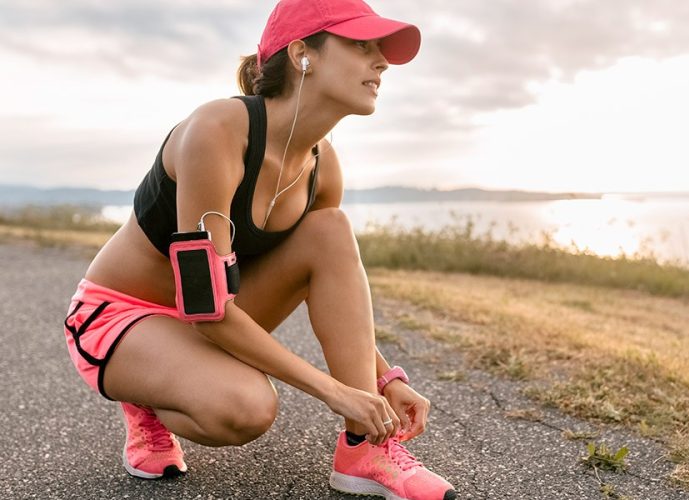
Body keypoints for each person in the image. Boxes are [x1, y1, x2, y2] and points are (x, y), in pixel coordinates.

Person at [61, 1, 456, 498]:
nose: (380, 62)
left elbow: (336, 293)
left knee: (331, 229)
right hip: (119, 316)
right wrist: (335, 392)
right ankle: (145, 394)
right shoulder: (219, 131)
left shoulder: (322, 167)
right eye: (361, 45)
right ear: (301, 54)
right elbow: (207, 306)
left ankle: (364, 451)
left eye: (381, 50)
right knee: (247, 408)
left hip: (201, 316)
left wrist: (385, 381)